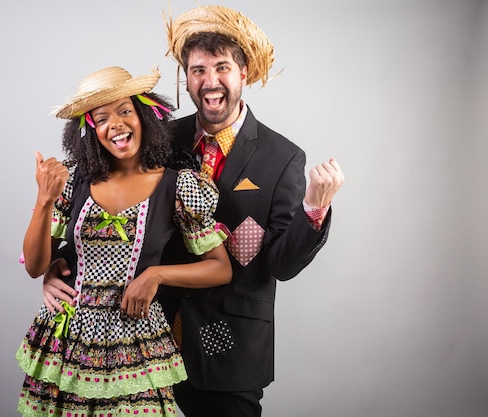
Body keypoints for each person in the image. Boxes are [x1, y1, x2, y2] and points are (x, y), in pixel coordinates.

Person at [42, 5, 345, 417]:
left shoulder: (282, 157)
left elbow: (282, 264)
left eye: (222, 67)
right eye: (198, 70)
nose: (210, 81)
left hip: (229, 343)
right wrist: (59, 268)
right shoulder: (159, 137)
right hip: (145, 336)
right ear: (186, 78)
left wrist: (314, 209)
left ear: (244, 73)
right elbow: (106, 207)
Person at [15, 65, 232, 417]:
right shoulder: (75, 183)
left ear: (145, 116)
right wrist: (44, 200)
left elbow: (220, 268)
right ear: (90, 130)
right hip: (69, 340)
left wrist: (156, 275)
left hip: (136, 341)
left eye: (125, 111)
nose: (115, 124)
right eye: (101, 118)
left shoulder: (178, 186)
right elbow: (36, 266)